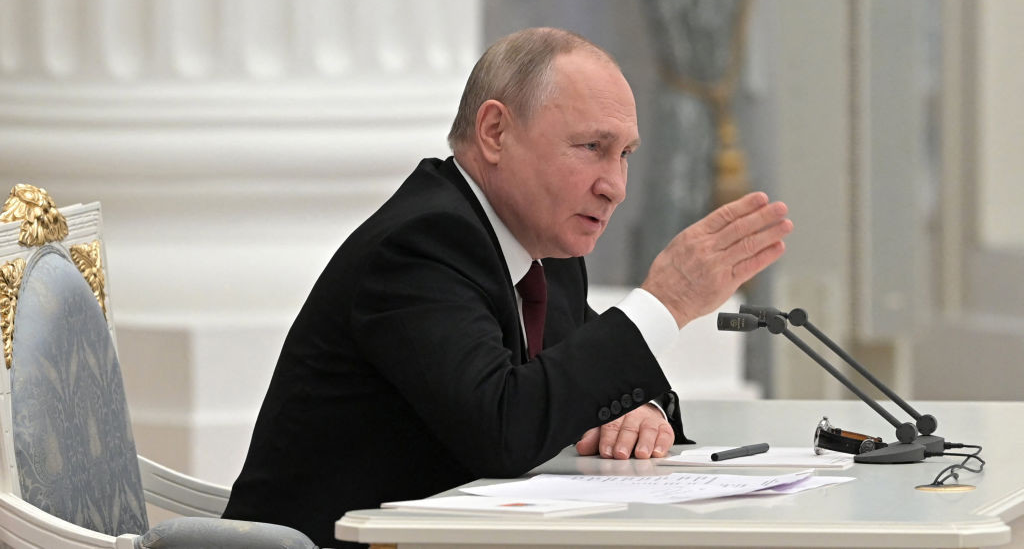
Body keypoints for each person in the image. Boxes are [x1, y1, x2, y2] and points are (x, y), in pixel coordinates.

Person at [223, 27, 792, 547]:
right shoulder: (423, 244)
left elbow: (584, 379)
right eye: (591, 147)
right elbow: (503, 430)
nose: (614, 186)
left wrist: (641, 409)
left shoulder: (547, 248)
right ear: (495, 131)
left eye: (625, 155)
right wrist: (664, 302)